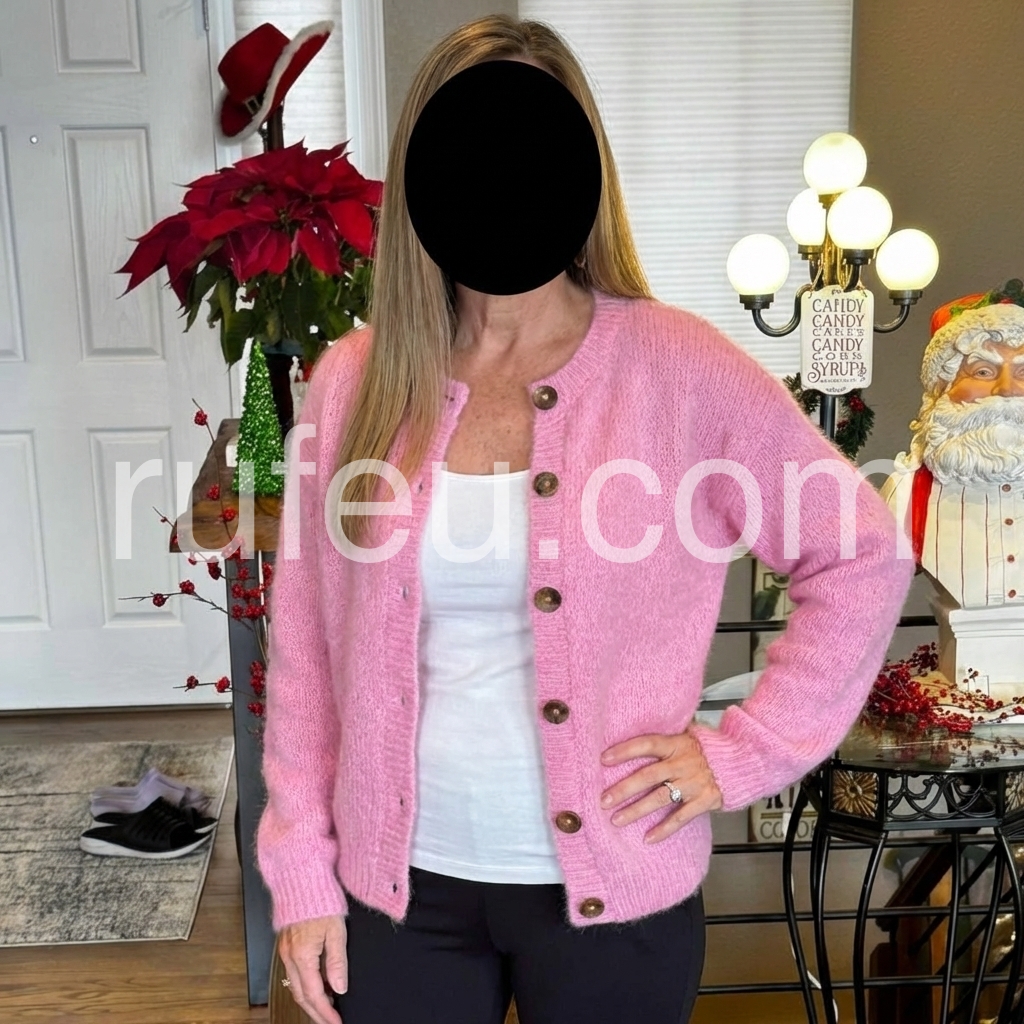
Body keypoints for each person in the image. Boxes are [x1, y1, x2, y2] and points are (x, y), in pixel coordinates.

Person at [255, 15, 913, 1024]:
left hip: (620, 890)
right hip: (396, 893)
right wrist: (301, 870)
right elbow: (303, 644)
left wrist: (743, 749)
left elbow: (858, 552)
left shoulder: (678, 371)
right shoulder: (356, 381)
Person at [881, 290, 1024, 609]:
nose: (1006, 389)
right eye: (983, 372)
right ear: (941, 388)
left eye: (1023, 373)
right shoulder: (909, 492)